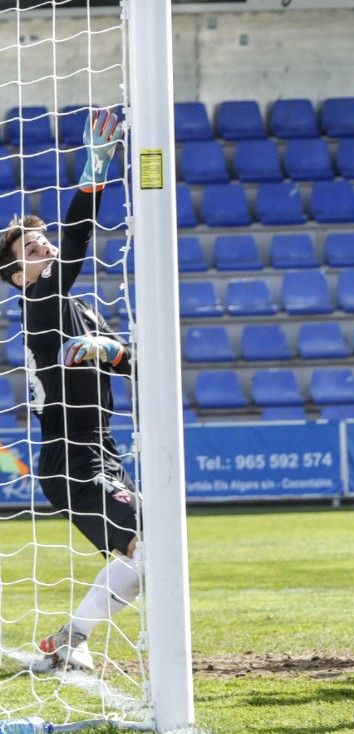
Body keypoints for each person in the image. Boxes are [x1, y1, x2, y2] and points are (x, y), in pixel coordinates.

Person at [0, 110, 137, 673]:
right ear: (17, 278)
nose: (48, 252)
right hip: (72, 456)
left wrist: (114, 353)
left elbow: (136, 367)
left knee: (147, 556)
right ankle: (71, 641)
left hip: (97, 450)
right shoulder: (39, 306)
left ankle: (68, 642)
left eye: (44, 243)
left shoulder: (78, 311)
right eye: (32, 251)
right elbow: (78, 242)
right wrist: (93, 173)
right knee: (149, 549)